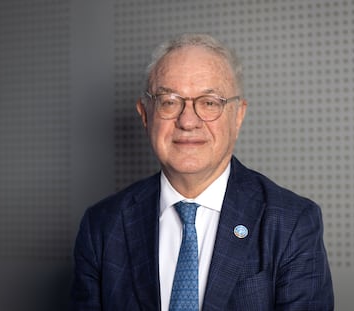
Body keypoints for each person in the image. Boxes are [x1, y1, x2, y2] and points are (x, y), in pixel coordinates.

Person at [70, 33, 334, 310]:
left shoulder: (292, 222)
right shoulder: (101, 225)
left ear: (238, 115)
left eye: (209, 102)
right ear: (145, 114)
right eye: (169, 101)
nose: (187, 121)